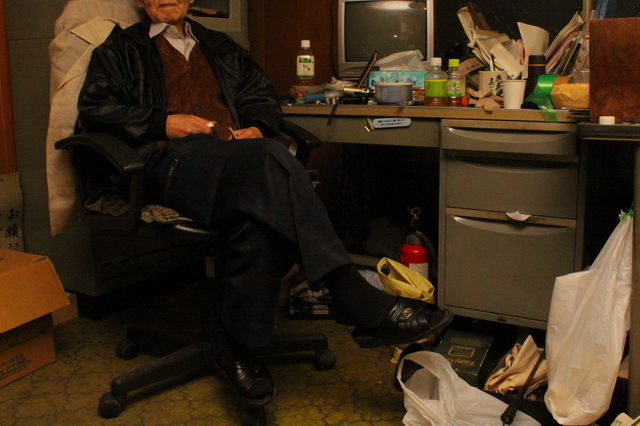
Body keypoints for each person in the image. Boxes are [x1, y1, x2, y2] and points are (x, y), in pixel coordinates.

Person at [75, 0, 453, 408]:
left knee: (256, 215)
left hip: (237, 162)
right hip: (169, 164)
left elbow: (261, 97)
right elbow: (95, 110)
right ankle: (350, 294)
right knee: (270, 161)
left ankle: (238, 348)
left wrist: (256, 127)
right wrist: (162, 123)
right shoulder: (120, 49)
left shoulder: (221, 47)